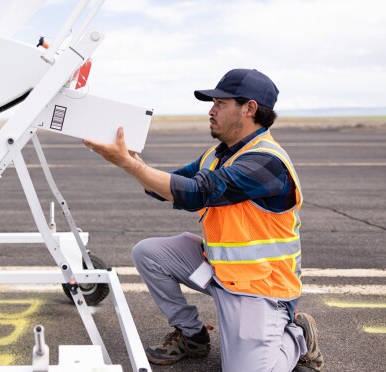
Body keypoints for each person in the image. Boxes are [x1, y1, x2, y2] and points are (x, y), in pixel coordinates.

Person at [83, 69, 324, 371]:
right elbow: (170, 187)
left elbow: (196, 193)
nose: (211, 110)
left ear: (249, 109)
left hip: (260, 288)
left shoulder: (266, 161)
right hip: (221, 271)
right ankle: (192, 335)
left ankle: (298, 334)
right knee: (148, 253)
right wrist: (131, 160)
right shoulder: (217, 154)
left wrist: (129, 164)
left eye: (220, 103)